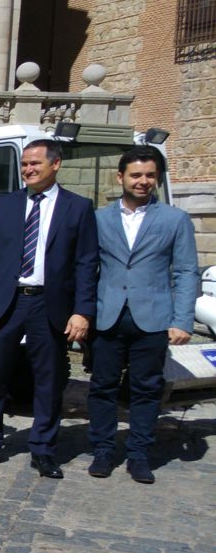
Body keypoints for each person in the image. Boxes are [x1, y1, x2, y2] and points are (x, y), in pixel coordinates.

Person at [0, 139, 99, 478]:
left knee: (49, 381)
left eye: (34, 164)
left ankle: (43, 449)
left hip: (50, 305)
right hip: (6, 302)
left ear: (55, 165)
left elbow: (87, 264)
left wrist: (82, 311)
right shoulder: (5, 204)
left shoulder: (78, 208)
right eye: (24, 164)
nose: (27, 169)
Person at [87, 146, 198, 483]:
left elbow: (186, 272)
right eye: (136, 175)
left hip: (153, 318)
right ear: (120, 177)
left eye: (150, 175)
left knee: (147, 389)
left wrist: (182, 319)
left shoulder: (174, 219)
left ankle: (138, 455)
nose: (143, 181)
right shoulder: (99, 218)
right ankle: (103, 451)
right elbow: (87, 269)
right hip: (107, 316)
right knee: (102, 387)